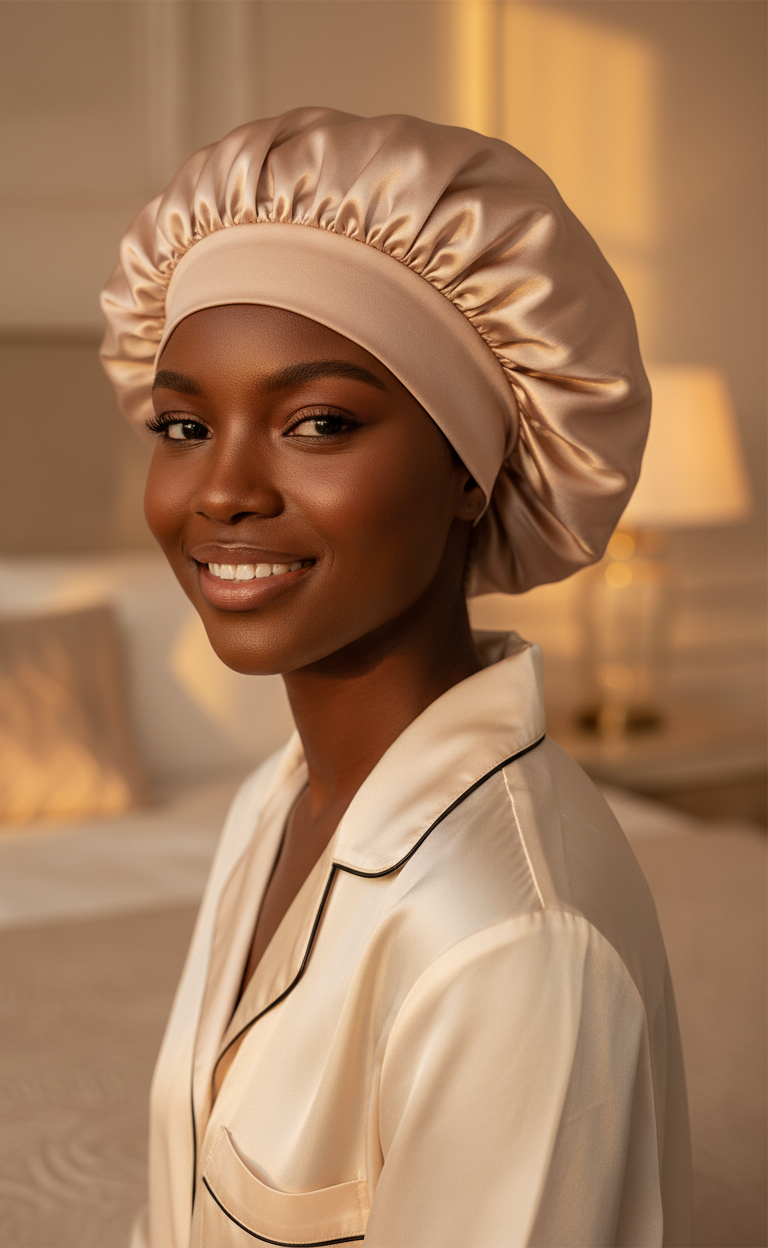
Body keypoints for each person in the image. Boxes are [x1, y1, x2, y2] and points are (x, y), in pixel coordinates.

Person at [100, 108, 691, 1248]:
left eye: (316, 422)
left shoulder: (511, 945)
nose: (219, 490)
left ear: (471, 471)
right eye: (181, 425)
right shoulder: (275, 804)